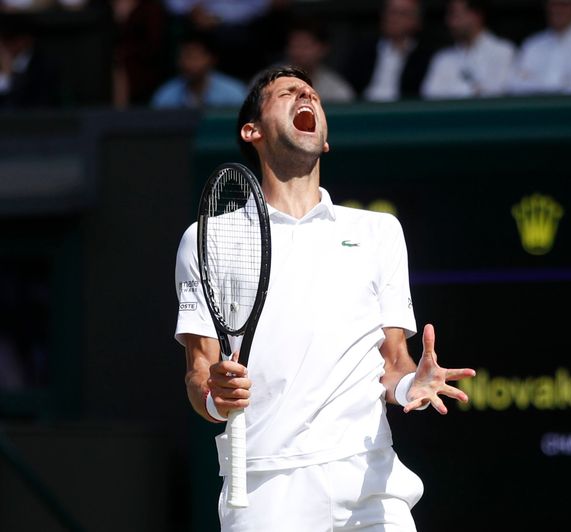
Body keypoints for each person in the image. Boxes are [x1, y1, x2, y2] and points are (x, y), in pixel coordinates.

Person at [174, 65, 475, 530]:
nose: (306, 96)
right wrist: (218, 397)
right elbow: (199, 373)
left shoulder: (378, 231)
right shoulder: (207, 237)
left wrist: (407, 383)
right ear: (251, 130)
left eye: (312, 93)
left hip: (371, 480)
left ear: (325, 140)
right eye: (288, 93)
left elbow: (393, 359)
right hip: (266, 486)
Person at [505, 0, 571, 95]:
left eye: (564, 4)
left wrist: (537, 83)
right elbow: (515, 84)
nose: (558, 10)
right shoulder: (532, 44)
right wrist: (564, 83)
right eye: (553, 4)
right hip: (535, 110)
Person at [421, 0, 515, 100]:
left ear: (476, 15)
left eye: (455, 14)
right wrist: (473, 90)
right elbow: (430, 93)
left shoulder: (504, 51)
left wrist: (453, 89)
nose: (449, 22)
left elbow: (498, 91)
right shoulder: (443, 58)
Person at [344, 0, 434, 102]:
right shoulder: (363, 50)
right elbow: (347, 89)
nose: (393, 18)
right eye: (390, 12)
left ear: (417, 21)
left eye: (402, 13)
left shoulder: (427, 57)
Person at [150, 32, 246, 109]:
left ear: (212, 59)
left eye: (194, 57)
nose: (187, 63)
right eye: (183, 57)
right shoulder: (165, 95)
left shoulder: (234, 94)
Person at [281, 21, 355, 103]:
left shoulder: (337, 89)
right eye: (294, 46)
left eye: (305, 46)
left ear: (323, 49)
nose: (298, 52)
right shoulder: (270, 81)